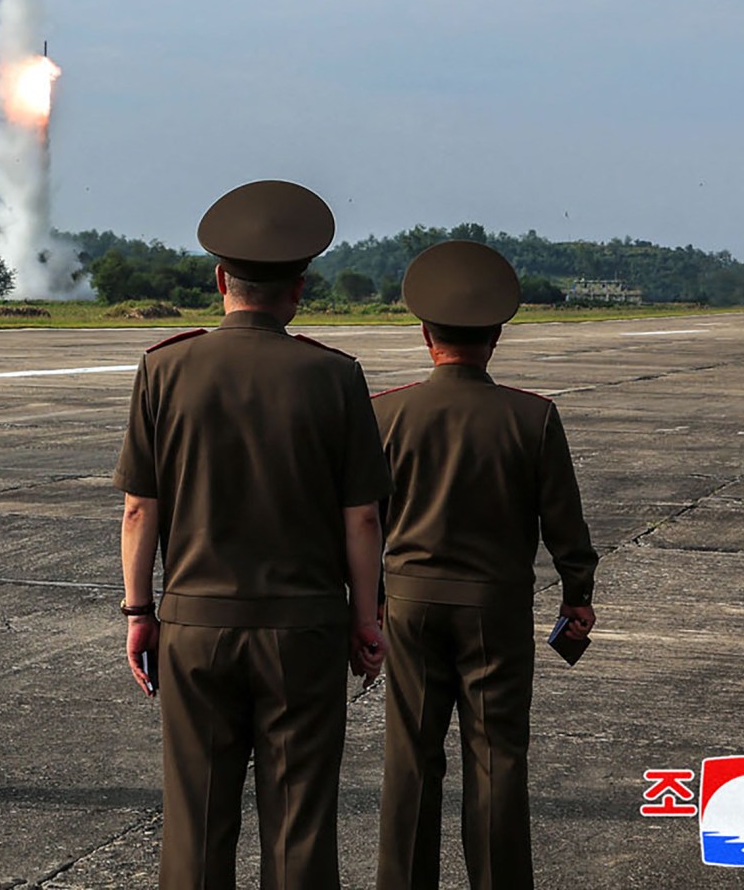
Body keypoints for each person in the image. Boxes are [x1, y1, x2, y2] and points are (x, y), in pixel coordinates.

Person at [114, 180, 390, 890]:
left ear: (219, 281)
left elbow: (140, 510)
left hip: (195, 625)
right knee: (299, 827)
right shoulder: (334, 375)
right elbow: (360, 516)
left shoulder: (164, 368)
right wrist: (366, 618)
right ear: (299, 289)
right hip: (303, 630)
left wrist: (139, 612)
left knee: (196, 824)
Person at [373, 239, 599, 890]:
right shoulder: (532, 417)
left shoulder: (387, 413)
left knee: (411, 761)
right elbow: (564, 522)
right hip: (495, 608)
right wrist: (577, 594)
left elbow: (363, 520)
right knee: (497, 758)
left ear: (425, 334)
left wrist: (366, 603)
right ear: (496, 337)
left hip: (408, 606)